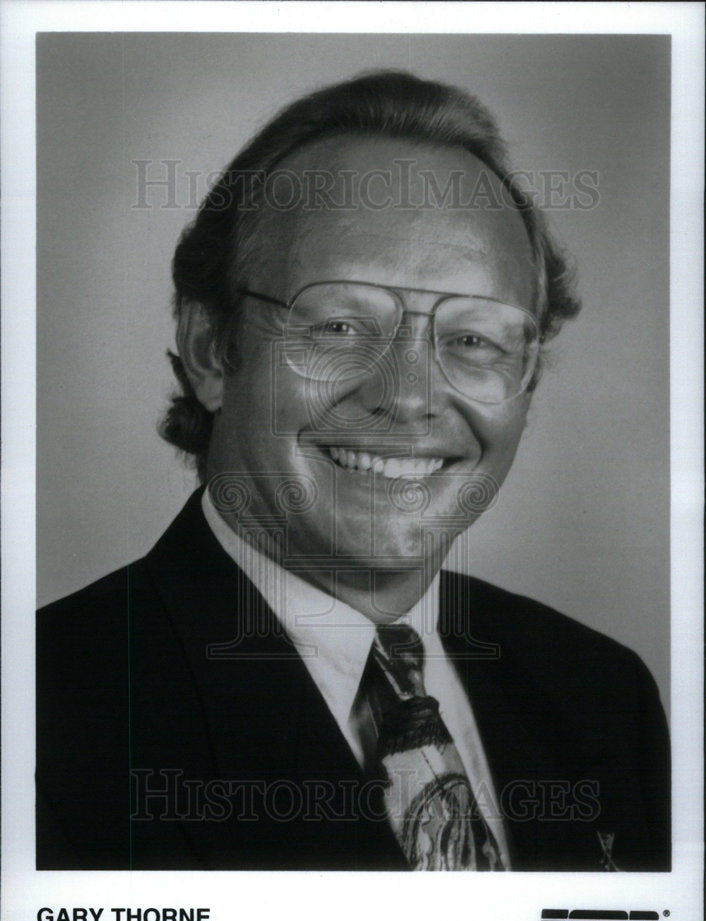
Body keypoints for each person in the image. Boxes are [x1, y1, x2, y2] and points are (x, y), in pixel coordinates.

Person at [36, 71, 670, 872]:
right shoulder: (44, 717)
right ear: (211, 351)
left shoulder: (603, 696)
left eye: (473, 339)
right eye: (340, 325)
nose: (408, 397)